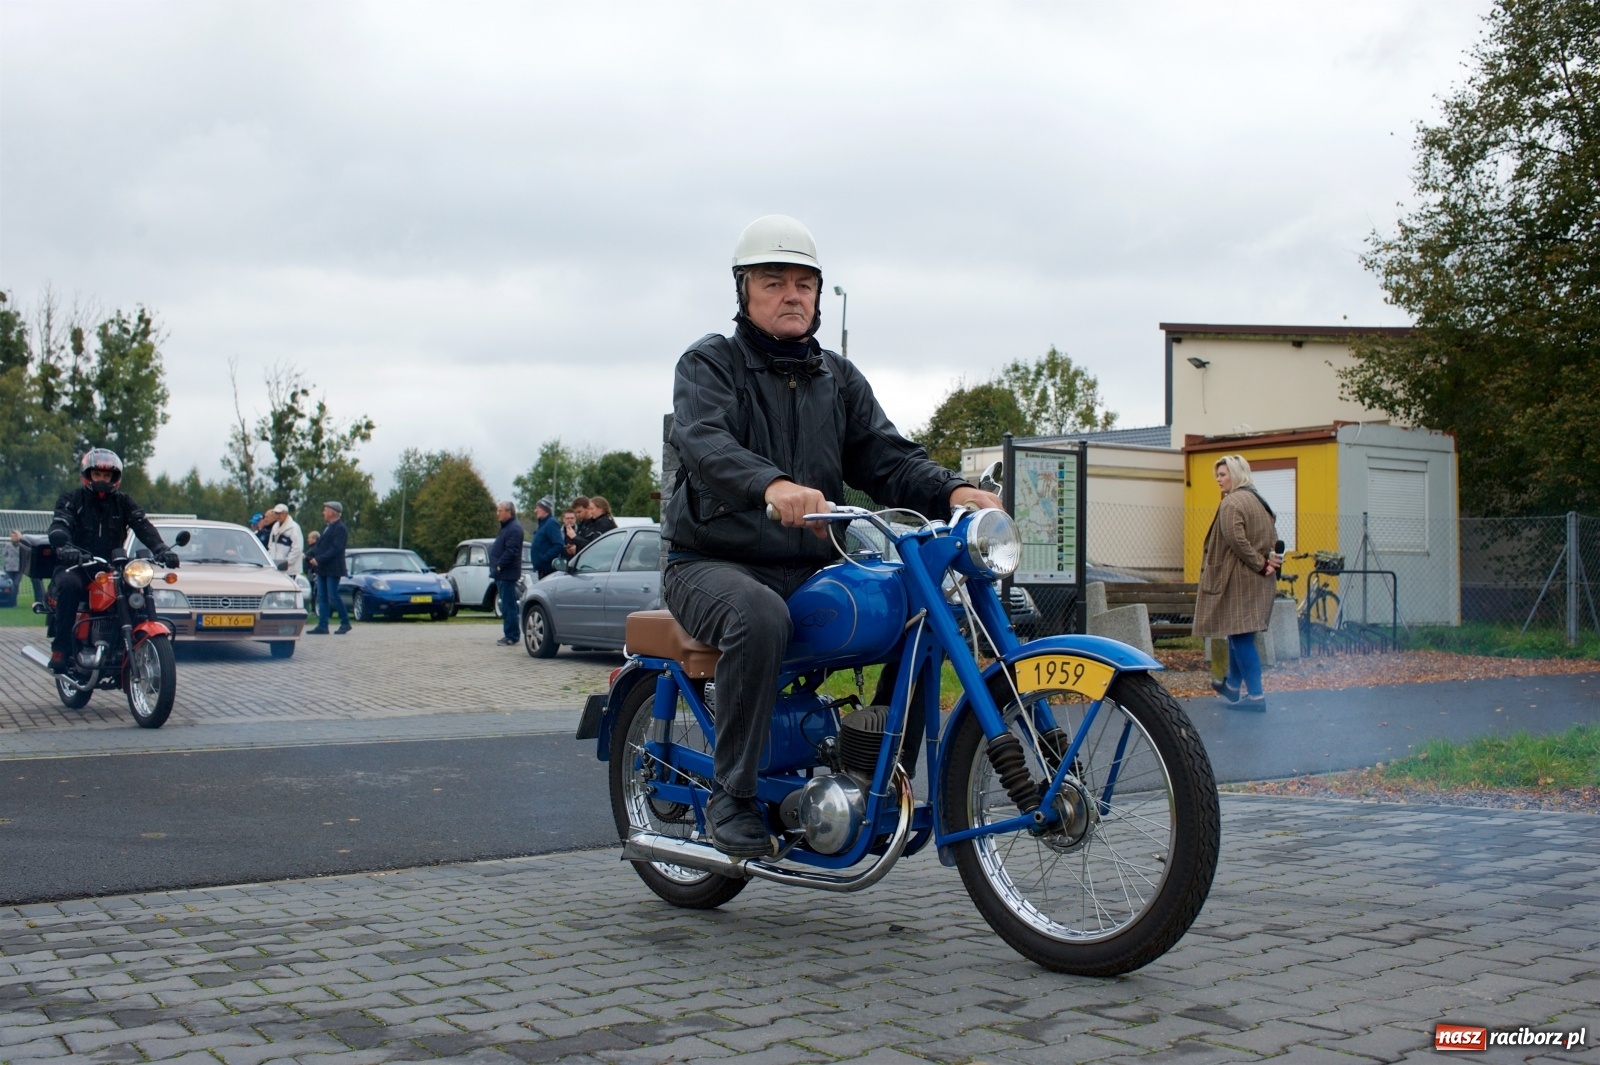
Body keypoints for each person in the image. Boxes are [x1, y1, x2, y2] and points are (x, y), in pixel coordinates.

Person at [662, 214, 1002, 858]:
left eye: (805, 283)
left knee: (914, 608)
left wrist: (952, 489)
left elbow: (885, 457)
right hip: (710, 562)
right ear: (743, 290)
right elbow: (703, 442)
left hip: (810, 565)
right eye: (774, 282)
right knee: (759, 617)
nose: (792, 294)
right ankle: (730, 795)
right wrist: (771, 485)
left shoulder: (837, 379)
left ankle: (879, 775)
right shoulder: (711, 363)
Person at [46, 448, 181, 672]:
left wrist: (161, 549)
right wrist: (65, 547)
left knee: (137, 589)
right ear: (88, 475)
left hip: (113, 566)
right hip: (77, 565)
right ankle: (61, 649)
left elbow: (142, 526)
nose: (102, 479)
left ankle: (131, 642)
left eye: (106, 476)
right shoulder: (72, 499)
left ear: (114, 478)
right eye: (97, 475)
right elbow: (60, 525)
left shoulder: (124, 502)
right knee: (70, 586)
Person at [1193, 454, 1282, 711]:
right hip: (1256, 581)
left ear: (1236, 473)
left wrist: (1261, 563)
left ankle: (1256, 697)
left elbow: (1237, 540)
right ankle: (1232, 685)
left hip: (1241, 579)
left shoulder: (1232, 502)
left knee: (1242, 638)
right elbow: (1272, 537)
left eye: (1223, 474)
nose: (1219, 480)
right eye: (1217, 475)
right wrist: (1269, 562)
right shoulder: (1259, 501)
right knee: (1238, 631)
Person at [304, 501, 352, 634]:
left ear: (332, 512)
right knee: (322, 596)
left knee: (333, 595)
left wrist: (319, 559)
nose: (323, 513)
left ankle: (345, 622)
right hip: (323, 568)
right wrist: (312, 557)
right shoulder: (328, 527)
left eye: (325, 510)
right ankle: (323, 625)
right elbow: (321, 546)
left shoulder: (340, 528)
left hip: (333, 567)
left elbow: (336, 549)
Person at [488, 499, 525, 645]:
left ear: (509, 512)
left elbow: (511, 550)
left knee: (509, 605)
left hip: (507, 573)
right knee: (506, 604)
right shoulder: (506, 527)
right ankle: (509, 633)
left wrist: (499, 565)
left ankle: (512, 636)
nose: (498, 513)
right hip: (502, 573)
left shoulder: (514, 528)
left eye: (500, 511)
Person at [262, 503, 304, 575]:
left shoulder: (294, 527)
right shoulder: (275, 527)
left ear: (286, 514)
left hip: (290, 570)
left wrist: (287, 562)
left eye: (280, 513)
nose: (278, 516)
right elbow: (271, 545)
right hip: (276, 568)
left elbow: (297, 548)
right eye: (276, 513)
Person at [530, 497, 565, 579]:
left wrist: (544, 559)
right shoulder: (542, 524)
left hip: (548, 570)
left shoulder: (551, 523)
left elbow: (559, 545)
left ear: (545, 509)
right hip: (541, 570)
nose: (536, 511)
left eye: (538, 508)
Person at [2, 530, 20, 609]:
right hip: (9, 568)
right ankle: (9, 602)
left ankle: (14, 601)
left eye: (15, 536)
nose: (13, 537)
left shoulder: (21, 546)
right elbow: (4, 554)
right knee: (9, 585)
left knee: (16, 584)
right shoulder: (7, 545)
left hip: (19, 569)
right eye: (12, 536)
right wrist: (7, 561)